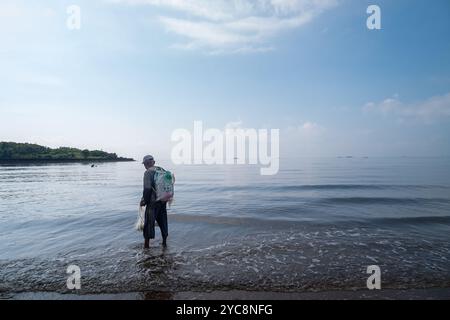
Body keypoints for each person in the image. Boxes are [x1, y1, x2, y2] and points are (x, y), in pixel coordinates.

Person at [140, 155, 168, 249]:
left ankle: (146, 247)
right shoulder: (162, 170)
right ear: (154, 162)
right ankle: (164, 243)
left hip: (153, 202)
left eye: (144, 164)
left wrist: (144, 201)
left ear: (146, 163)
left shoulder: (148, 172)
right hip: (163, 200)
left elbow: (147, 189)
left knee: (149, 224)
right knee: (163, 221)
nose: (144, 166)